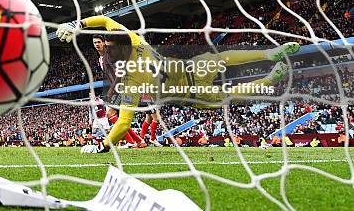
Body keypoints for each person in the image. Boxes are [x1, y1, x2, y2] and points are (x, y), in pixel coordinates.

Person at [57, 15, 298, 153]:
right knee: (221, 58)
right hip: (190, 67)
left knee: (231, 94)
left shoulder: (132, 76)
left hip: (191, 94)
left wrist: (104, 147)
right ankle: (269, 54)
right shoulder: (134, 39)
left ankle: (269, 78)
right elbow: (107, 21)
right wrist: (79, 24)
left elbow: (123, 122)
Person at [92, 34, 145, 148]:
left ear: (104, 43)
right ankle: (139, 141)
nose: (97, 45)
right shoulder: (101, 58)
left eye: (99, 42)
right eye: (95, 42)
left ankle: (132, 142)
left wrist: (112, 88)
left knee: (111, 114)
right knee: (118, 117)